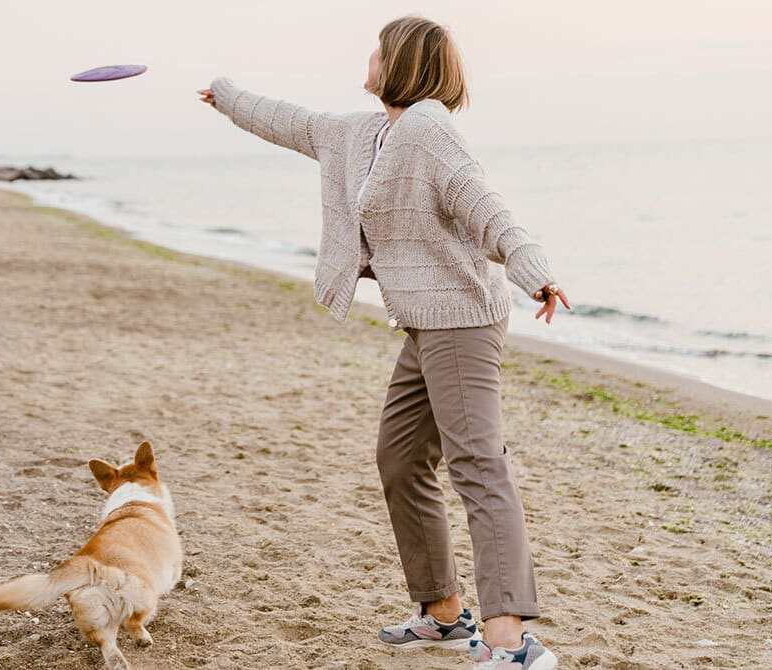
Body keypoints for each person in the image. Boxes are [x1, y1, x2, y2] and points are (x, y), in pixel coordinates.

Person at [198, 15, 570, 670]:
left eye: (377, 49)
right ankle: (444, 612)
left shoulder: (428, 131)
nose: (368, 58)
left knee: (478, 468)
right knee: (399, 459)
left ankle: (512, 641)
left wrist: (533, 269)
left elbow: (486, 206)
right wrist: (224, 94)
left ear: (400, 62)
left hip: (463, 320)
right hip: (423, 322)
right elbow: (287, 119)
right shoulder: (362, 133)